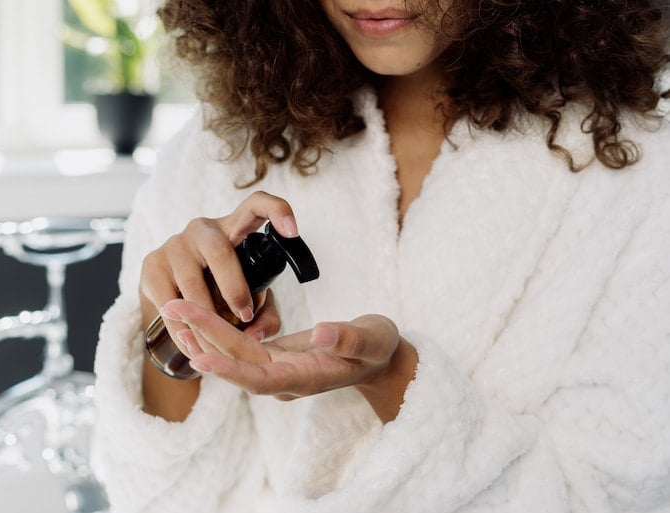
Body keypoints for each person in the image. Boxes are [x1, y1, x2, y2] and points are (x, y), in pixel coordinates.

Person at [93, 1, 670, 512]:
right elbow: (157, 496)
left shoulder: (637, 167)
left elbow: (616, 496)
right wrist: (170, 329)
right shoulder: (220, 148)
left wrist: (394, 379)